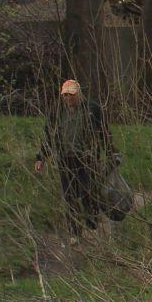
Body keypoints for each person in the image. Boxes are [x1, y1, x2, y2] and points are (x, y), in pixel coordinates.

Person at [36, 79, 117, 229]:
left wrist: (112, 153)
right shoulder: (57, 112)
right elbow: (49, 135)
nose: (68, 98)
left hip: (88, 158)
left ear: (79, 94)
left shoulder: (93, 110)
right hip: (65, 158)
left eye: (71, 95)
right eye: (65, 95)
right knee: (69, 195)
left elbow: (104, 133)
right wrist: (41, 157)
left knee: (89, 191)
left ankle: (92, 223)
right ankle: (74, 229)